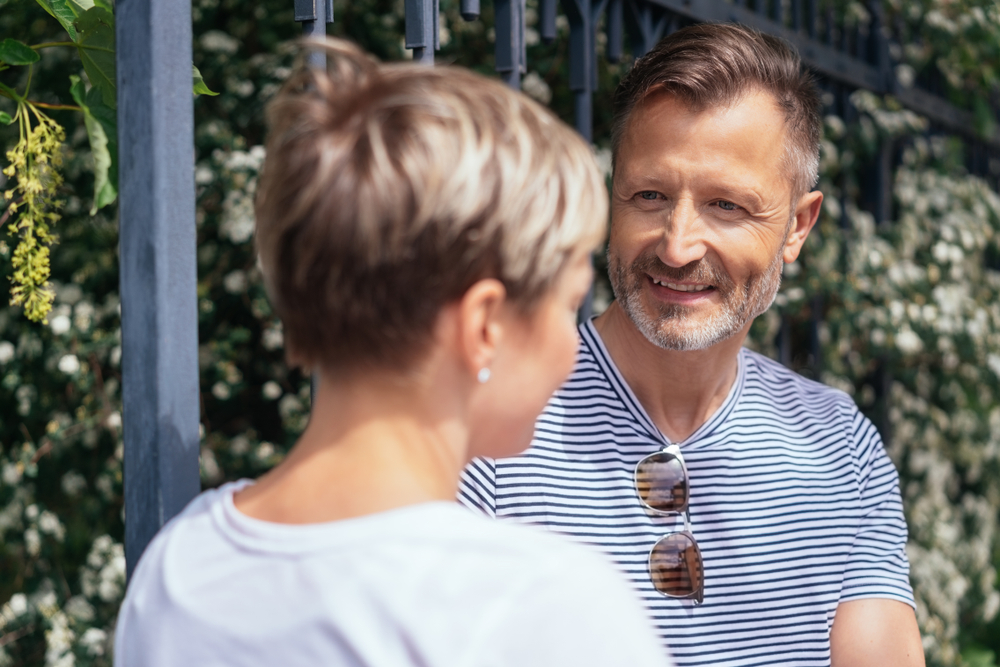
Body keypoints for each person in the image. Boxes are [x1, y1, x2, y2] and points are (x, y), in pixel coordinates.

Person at [114, 39, 672, 667]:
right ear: (484, 324)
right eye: (568, 305)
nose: (576, 346)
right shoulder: (542, 605)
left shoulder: (177, 569)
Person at [460, 22, 925, 667]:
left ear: (797, 225)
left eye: (726, 206)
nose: (678, 246)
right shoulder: (486, 425)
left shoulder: (837, 448)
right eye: (649, 195)